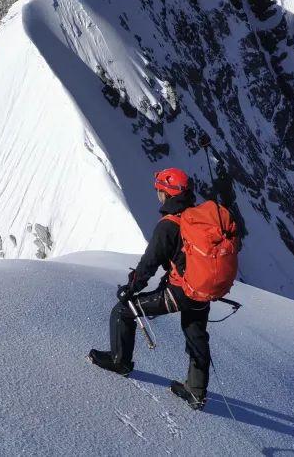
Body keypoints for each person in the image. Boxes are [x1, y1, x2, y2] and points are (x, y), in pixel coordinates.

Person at [88, 167, 211, 410]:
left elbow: (149, 264)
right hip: (203, 289)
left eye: (159, 189)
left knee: (123, 311)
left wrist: (130, 290)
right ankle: (196, 392)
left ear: (167, 193)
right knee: (196, 335)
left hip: (181, 291)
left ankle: (119, 361)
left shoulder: (169, 225)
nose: (157, 194)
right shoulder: (197, 217)